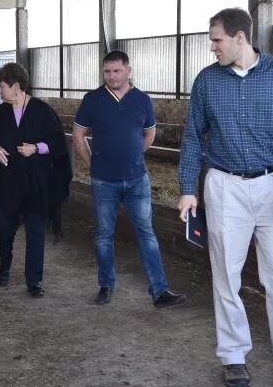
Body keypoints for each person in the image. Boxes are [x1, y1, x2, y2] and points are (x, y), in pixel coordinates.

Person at [177, 8, 273, 387]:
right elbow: (191, 138)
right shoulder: (207, 81)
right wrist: (188, 188)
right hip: (224, 186)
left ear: (240, 38)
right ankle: (234, 356)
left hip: (272, 184)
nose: (211, 46)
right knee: (226, 274)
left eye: (216, 39)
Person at [72, 50, 187, 309]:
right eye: (107, 71)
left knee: (147, 233)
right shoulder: (92, 99)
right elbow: (78, 135)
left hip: (137, 180)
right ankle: (106, 285)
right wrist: (92, 163)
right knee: (103, 235)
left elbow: (149, 134)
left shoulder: (142, 100)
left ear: (129, 71)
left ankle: (159, 291)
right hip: (103, 180)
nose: (112, 76)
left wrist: (133, 154)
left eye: (117, 71)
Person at [0, 62, 71, 297]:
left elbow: (59, 144)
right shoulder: (0, 113)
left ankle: (34, 281)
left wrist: (37, 148)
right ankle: (5, 265)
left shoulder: (43, 111)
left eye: (2, 86)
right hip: (8, 183)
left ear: (16, 87)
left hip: (36, 184)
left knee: (36, 232)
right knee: (5, 229)